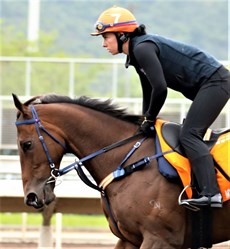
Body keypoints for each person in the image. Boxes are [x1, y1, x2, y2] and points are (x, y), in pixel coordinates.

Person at [91, 6, 230, 207]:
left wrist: (149, 118)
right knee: (189, 133)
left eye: (106, 37)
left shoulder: (142, 48)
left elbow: (160, 88)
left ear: (121, 35)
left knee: (189, 135)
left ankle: (211, 193)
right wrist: (145, 120)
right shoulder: (136, 55)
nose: (103, 43)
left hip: (216, 82)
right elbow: (149, 91)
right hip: (209, 85)